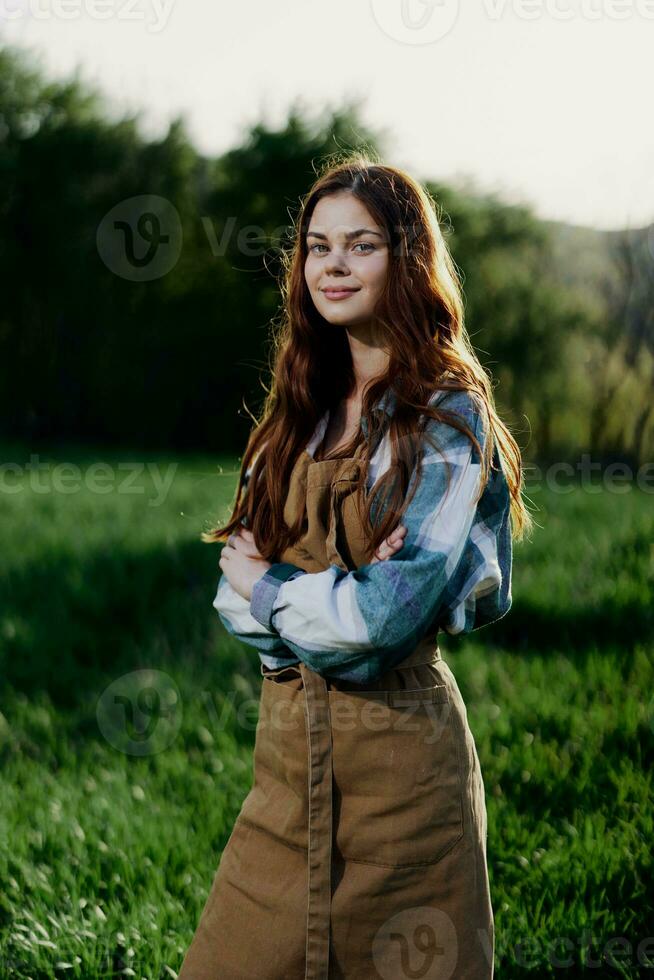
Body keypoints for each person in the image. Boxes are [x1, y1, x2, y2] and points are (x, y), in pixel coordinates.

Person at [178, 156, 533, 980]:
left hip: (404, 785)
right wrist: (309, 601)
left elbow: (374, 627)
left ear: (405, 259)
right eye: (317, 246)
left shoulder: (446, 415)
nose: (332, 265)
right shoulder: (299, 404)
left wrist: (273, 584)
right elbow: (230, 594)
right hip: (282, 768)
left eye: (361, 246)